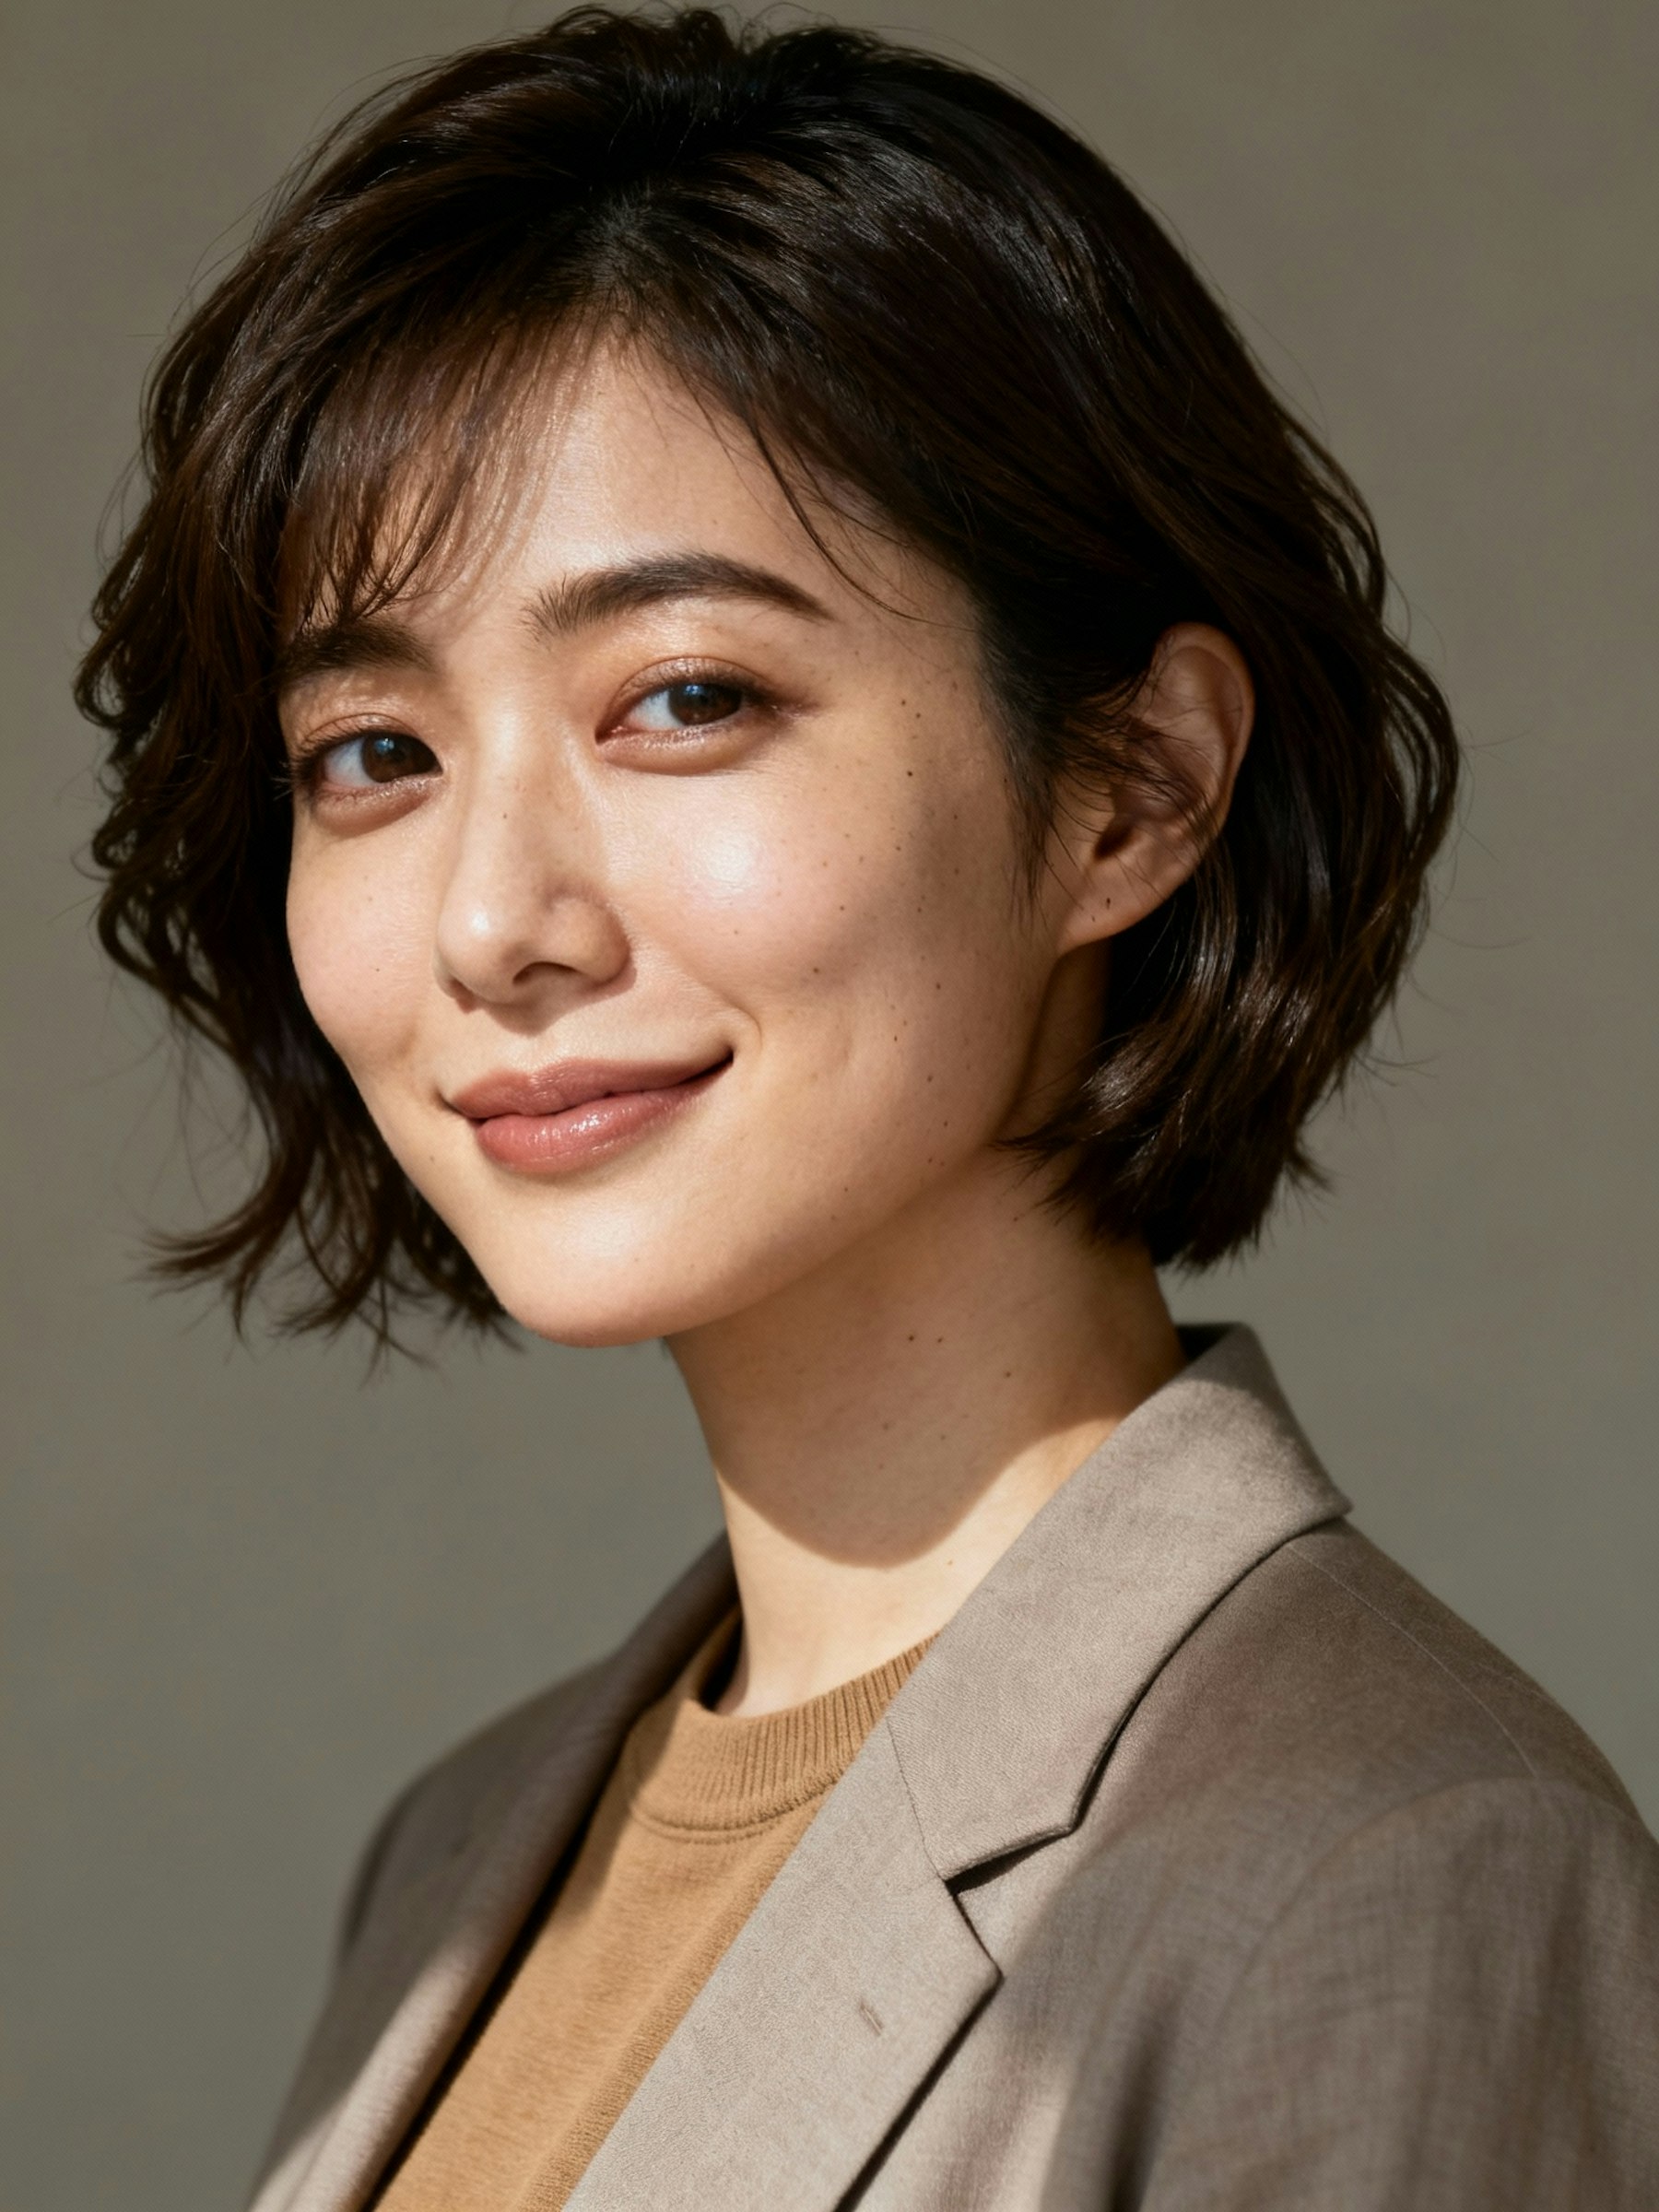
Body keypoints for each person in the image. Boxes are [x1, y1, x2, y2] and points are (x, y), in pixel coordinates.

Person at [78, 8, 1659, 2207]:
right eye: (376, 752)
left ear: (1135, 788)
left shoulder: (1389, 1874)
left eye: (686, 700)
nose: (491, 922)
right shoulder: (464, 1853)